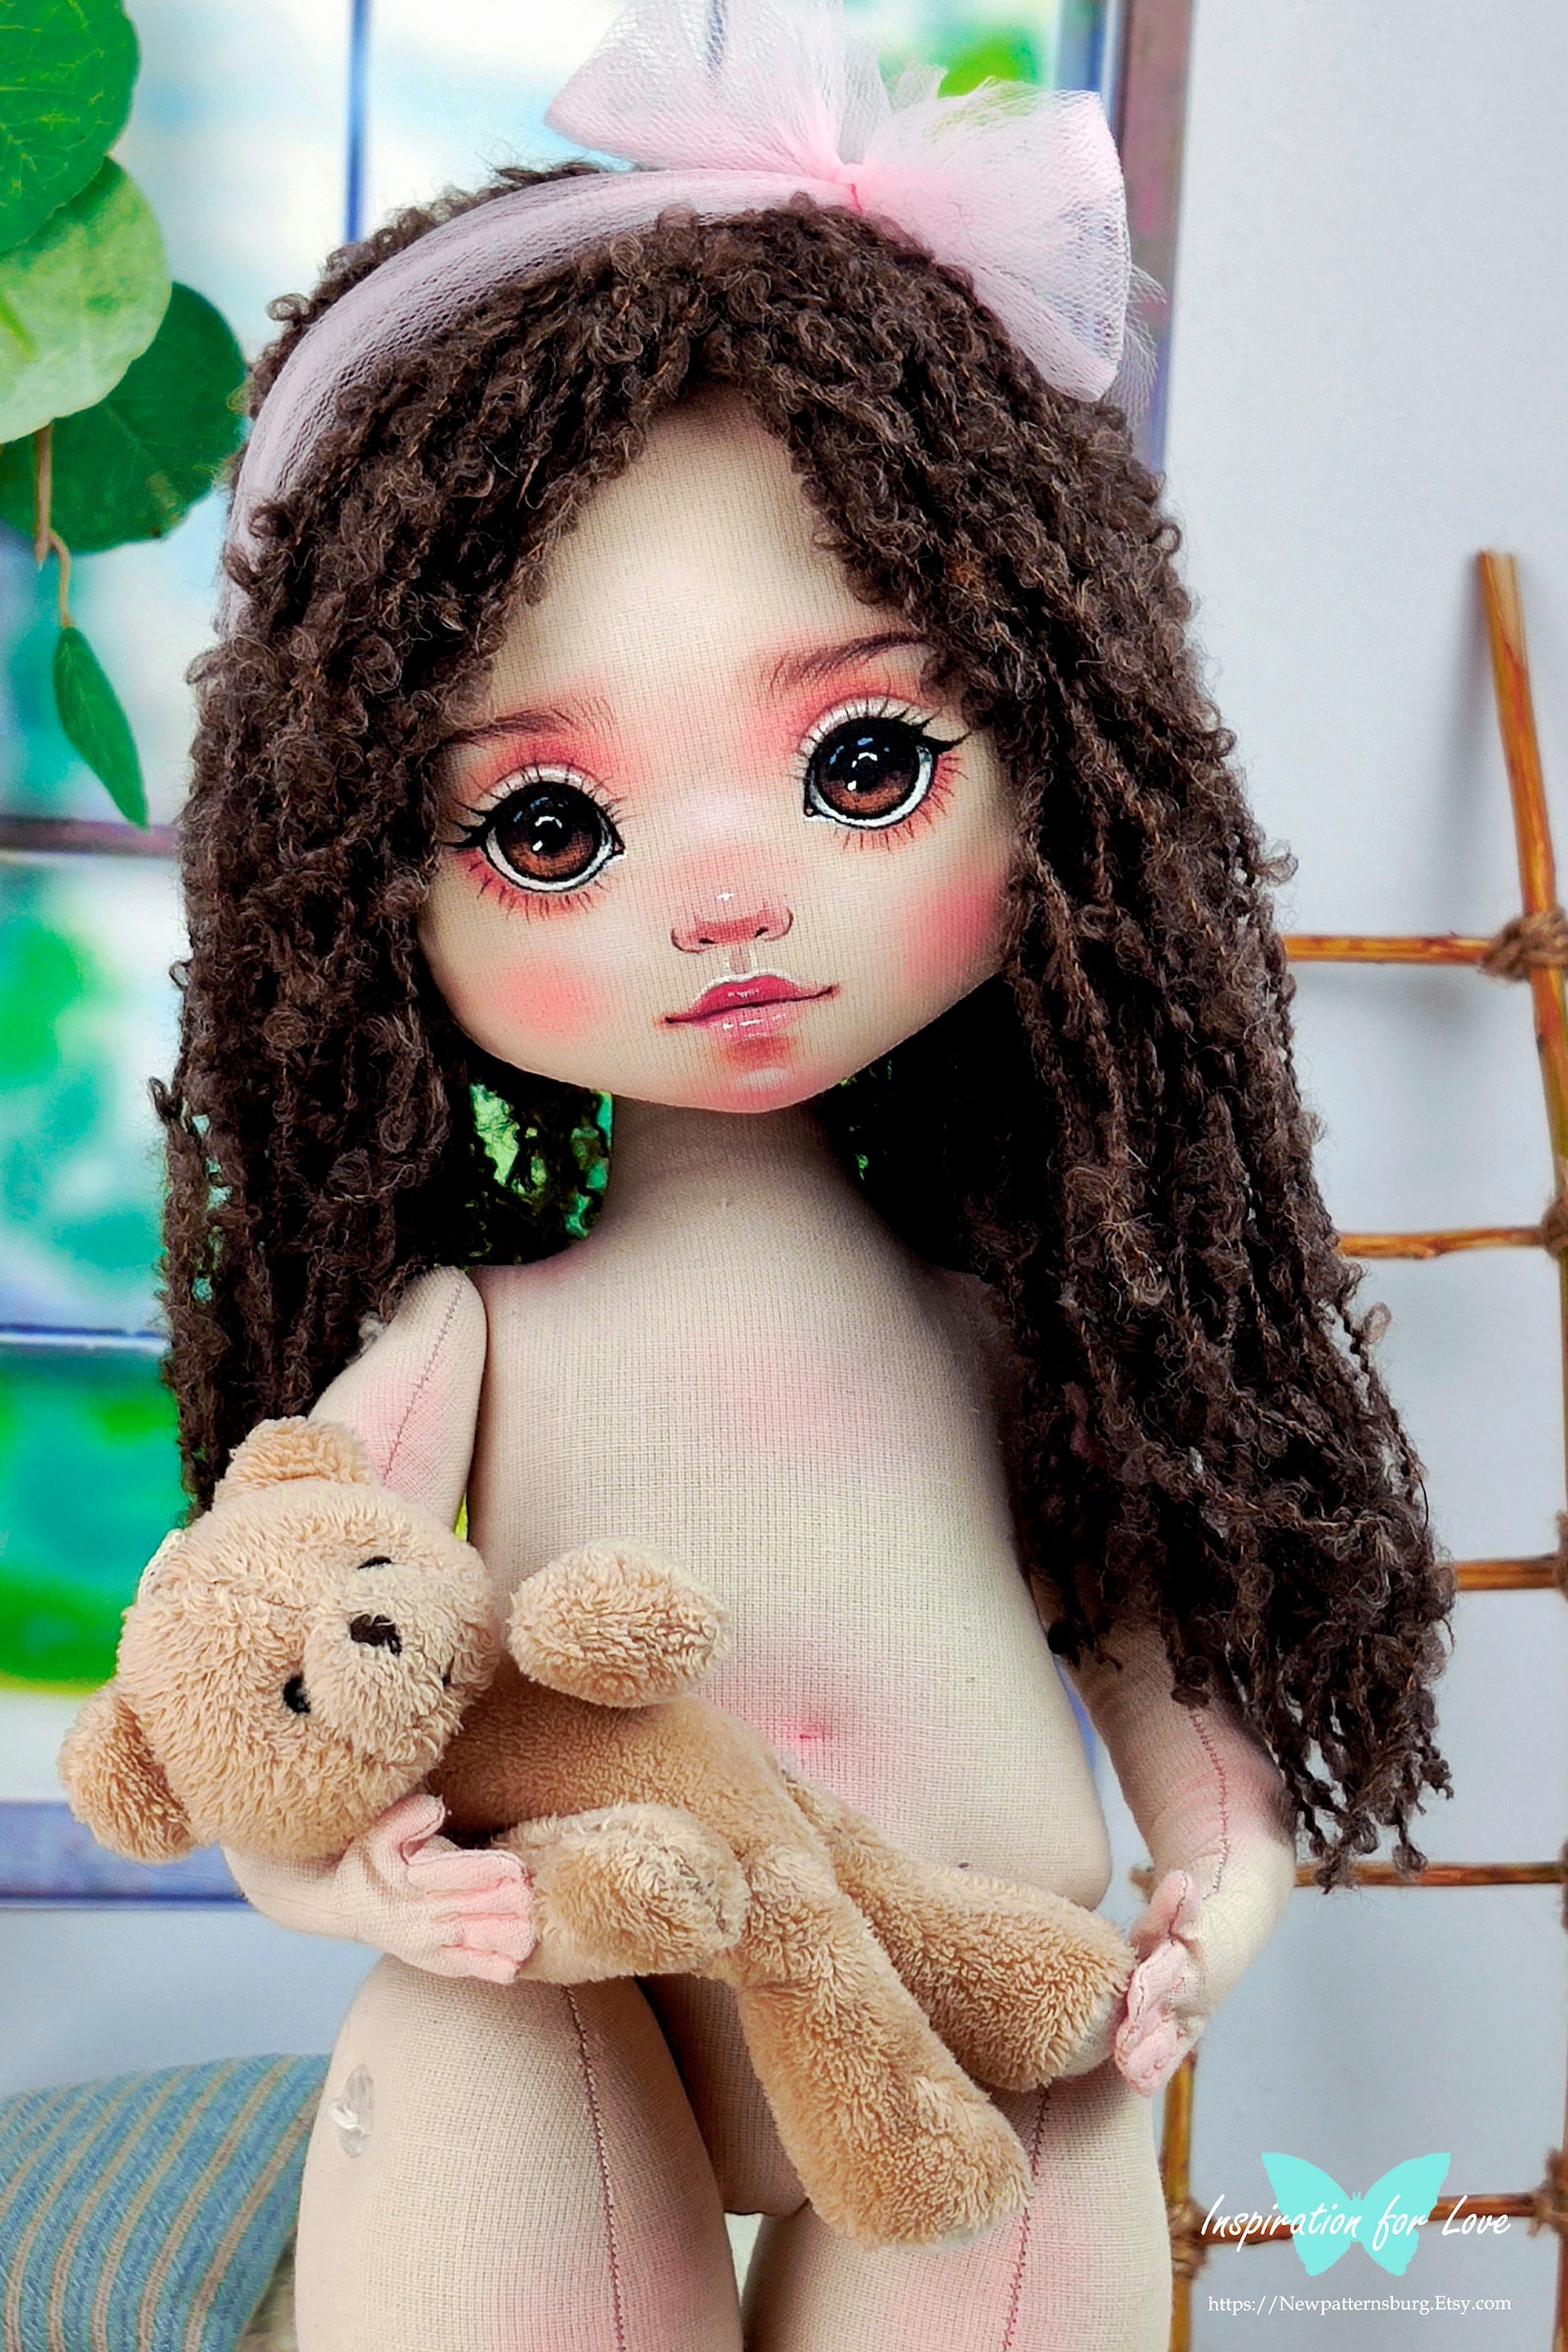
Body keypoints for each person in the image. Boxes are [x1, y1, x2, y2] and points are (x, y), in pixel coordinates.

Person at [156, 4, 1452, 2343]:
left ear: (1065, 757)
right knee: (470, 2078)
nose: (727, 902)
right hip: (584, 1976)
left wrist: (1220, 1884)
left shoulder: (1003, 1318)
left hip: (974, 2016)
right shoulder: (463, 1343)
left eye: (860, 763)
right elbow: (269, 1673)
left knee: (1055, 2141)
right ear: (361, 877)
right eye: (549, 827)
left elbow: (1141, 1622)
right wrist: (360, 1888)